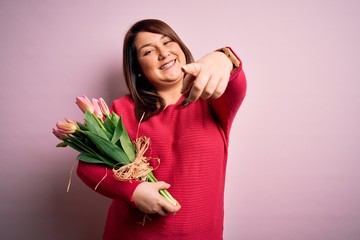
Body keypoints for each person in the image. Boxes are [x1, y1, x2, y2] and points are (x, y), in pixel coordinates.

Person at [77, 18, 247, 240]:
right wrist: (133, 191)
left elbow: (236, 81)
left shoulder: (213, 100)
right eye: (148, 51)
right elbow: (87, 167)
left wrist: (223, 57)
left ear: (180, 47)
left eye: (168, 42)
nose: (163, 52)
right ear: (137, 68)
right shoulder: (122, 110)